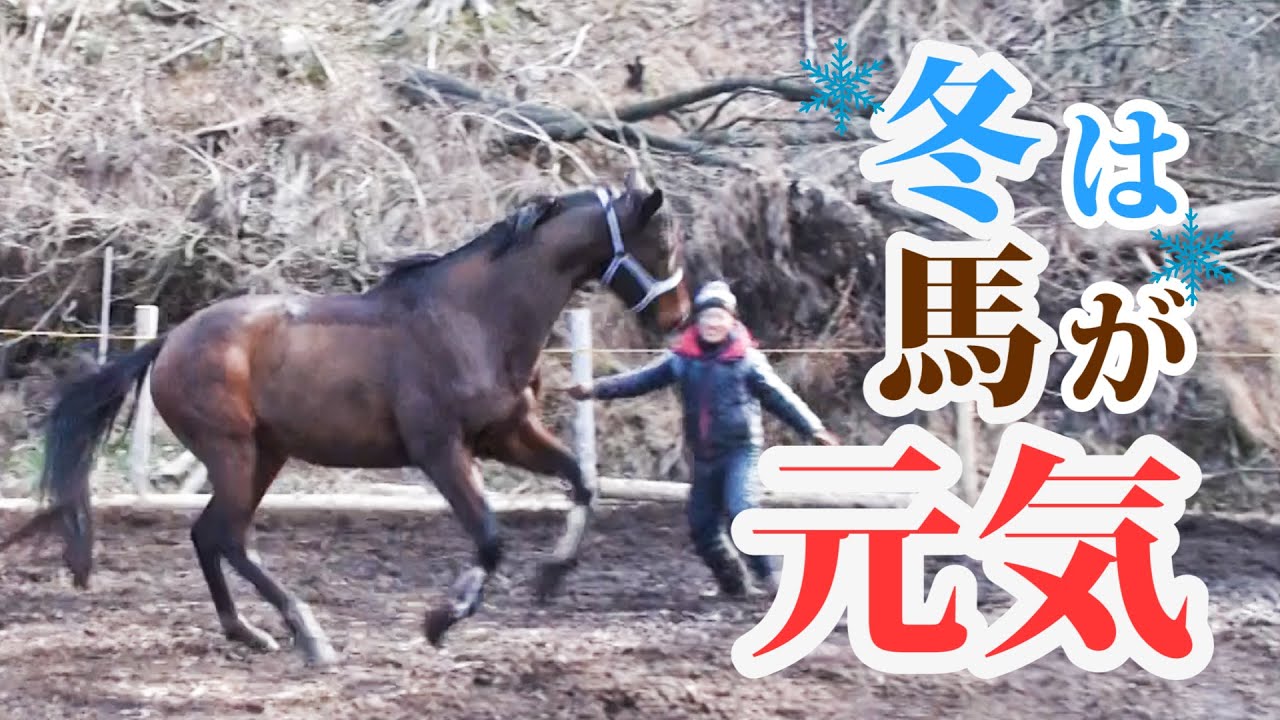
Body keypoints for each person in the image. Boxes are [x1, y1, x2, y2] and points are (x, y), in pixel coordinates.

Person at [567, 280, 838, 598]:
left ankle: (771, 577)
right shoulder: (681, 358)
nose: (713, 323)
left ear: (731, 321)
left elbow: (780, 397)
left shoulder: (746, 360)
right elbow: (639, 381)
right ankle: (734, 584)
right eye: (707, 316)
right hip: (703, 454)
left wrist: (813, 428)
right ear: (698, 320)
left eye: (719, 317)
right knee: (701, 526)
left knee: (741, 512)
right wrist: (595, 389)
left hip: (740, 450)